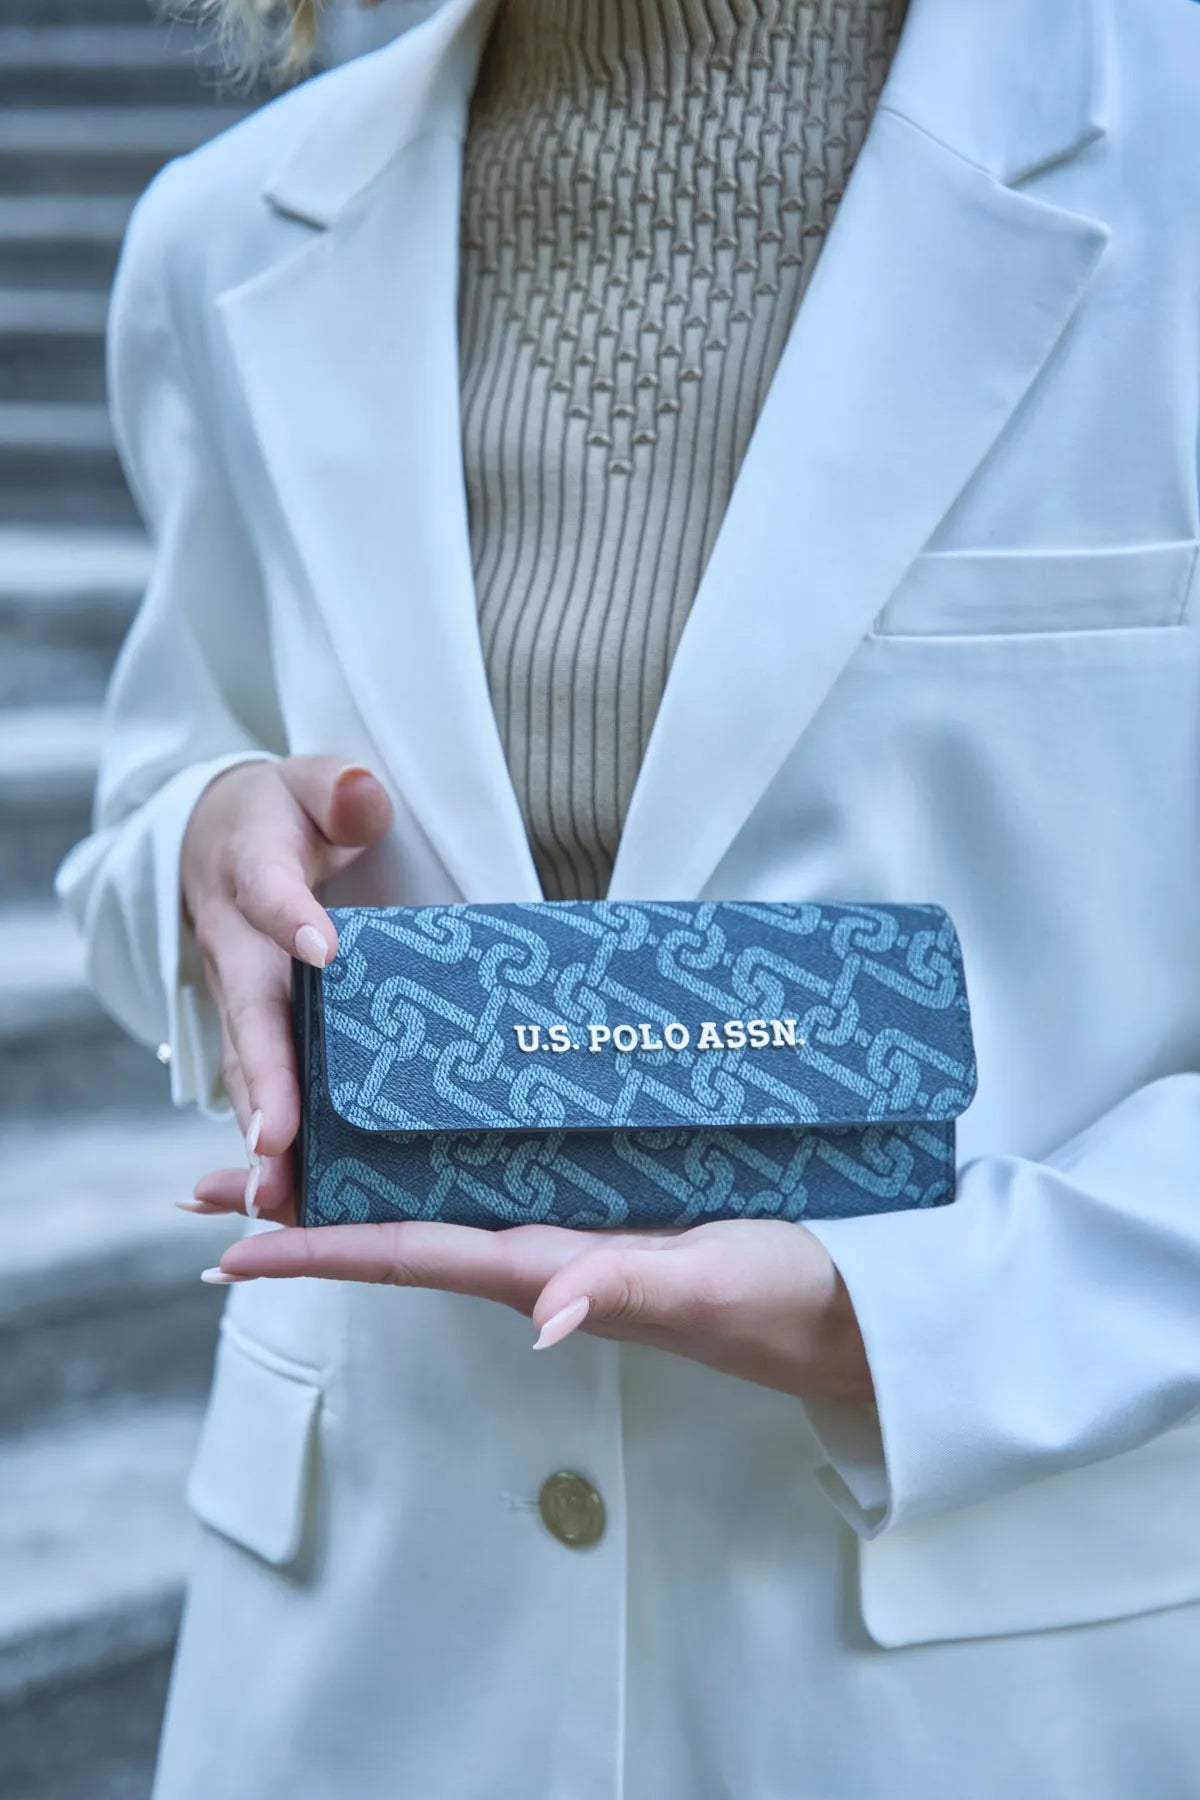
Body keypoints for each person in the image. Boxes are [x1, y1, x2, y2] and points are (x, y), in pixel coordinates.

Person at [54, 0, 1200, 1793]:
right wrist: (203, 841)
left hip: (979, 1647)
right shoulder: (222, 231)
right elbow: (149, 808)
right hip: (371, 1642)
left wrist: (914, 1314)